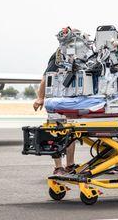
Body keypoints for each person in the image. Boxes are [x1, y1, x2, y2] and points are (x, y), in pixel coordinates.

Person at [34, 42, 77, 176]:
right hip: (57, 102)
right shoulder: (59, 57)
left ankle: (70, 165)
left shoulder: (78, 58)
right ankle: (58, 167)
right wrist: (40, 98)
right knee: (57, 134)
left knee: (72, 135)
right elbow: (46, 78)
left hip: (70, 102)